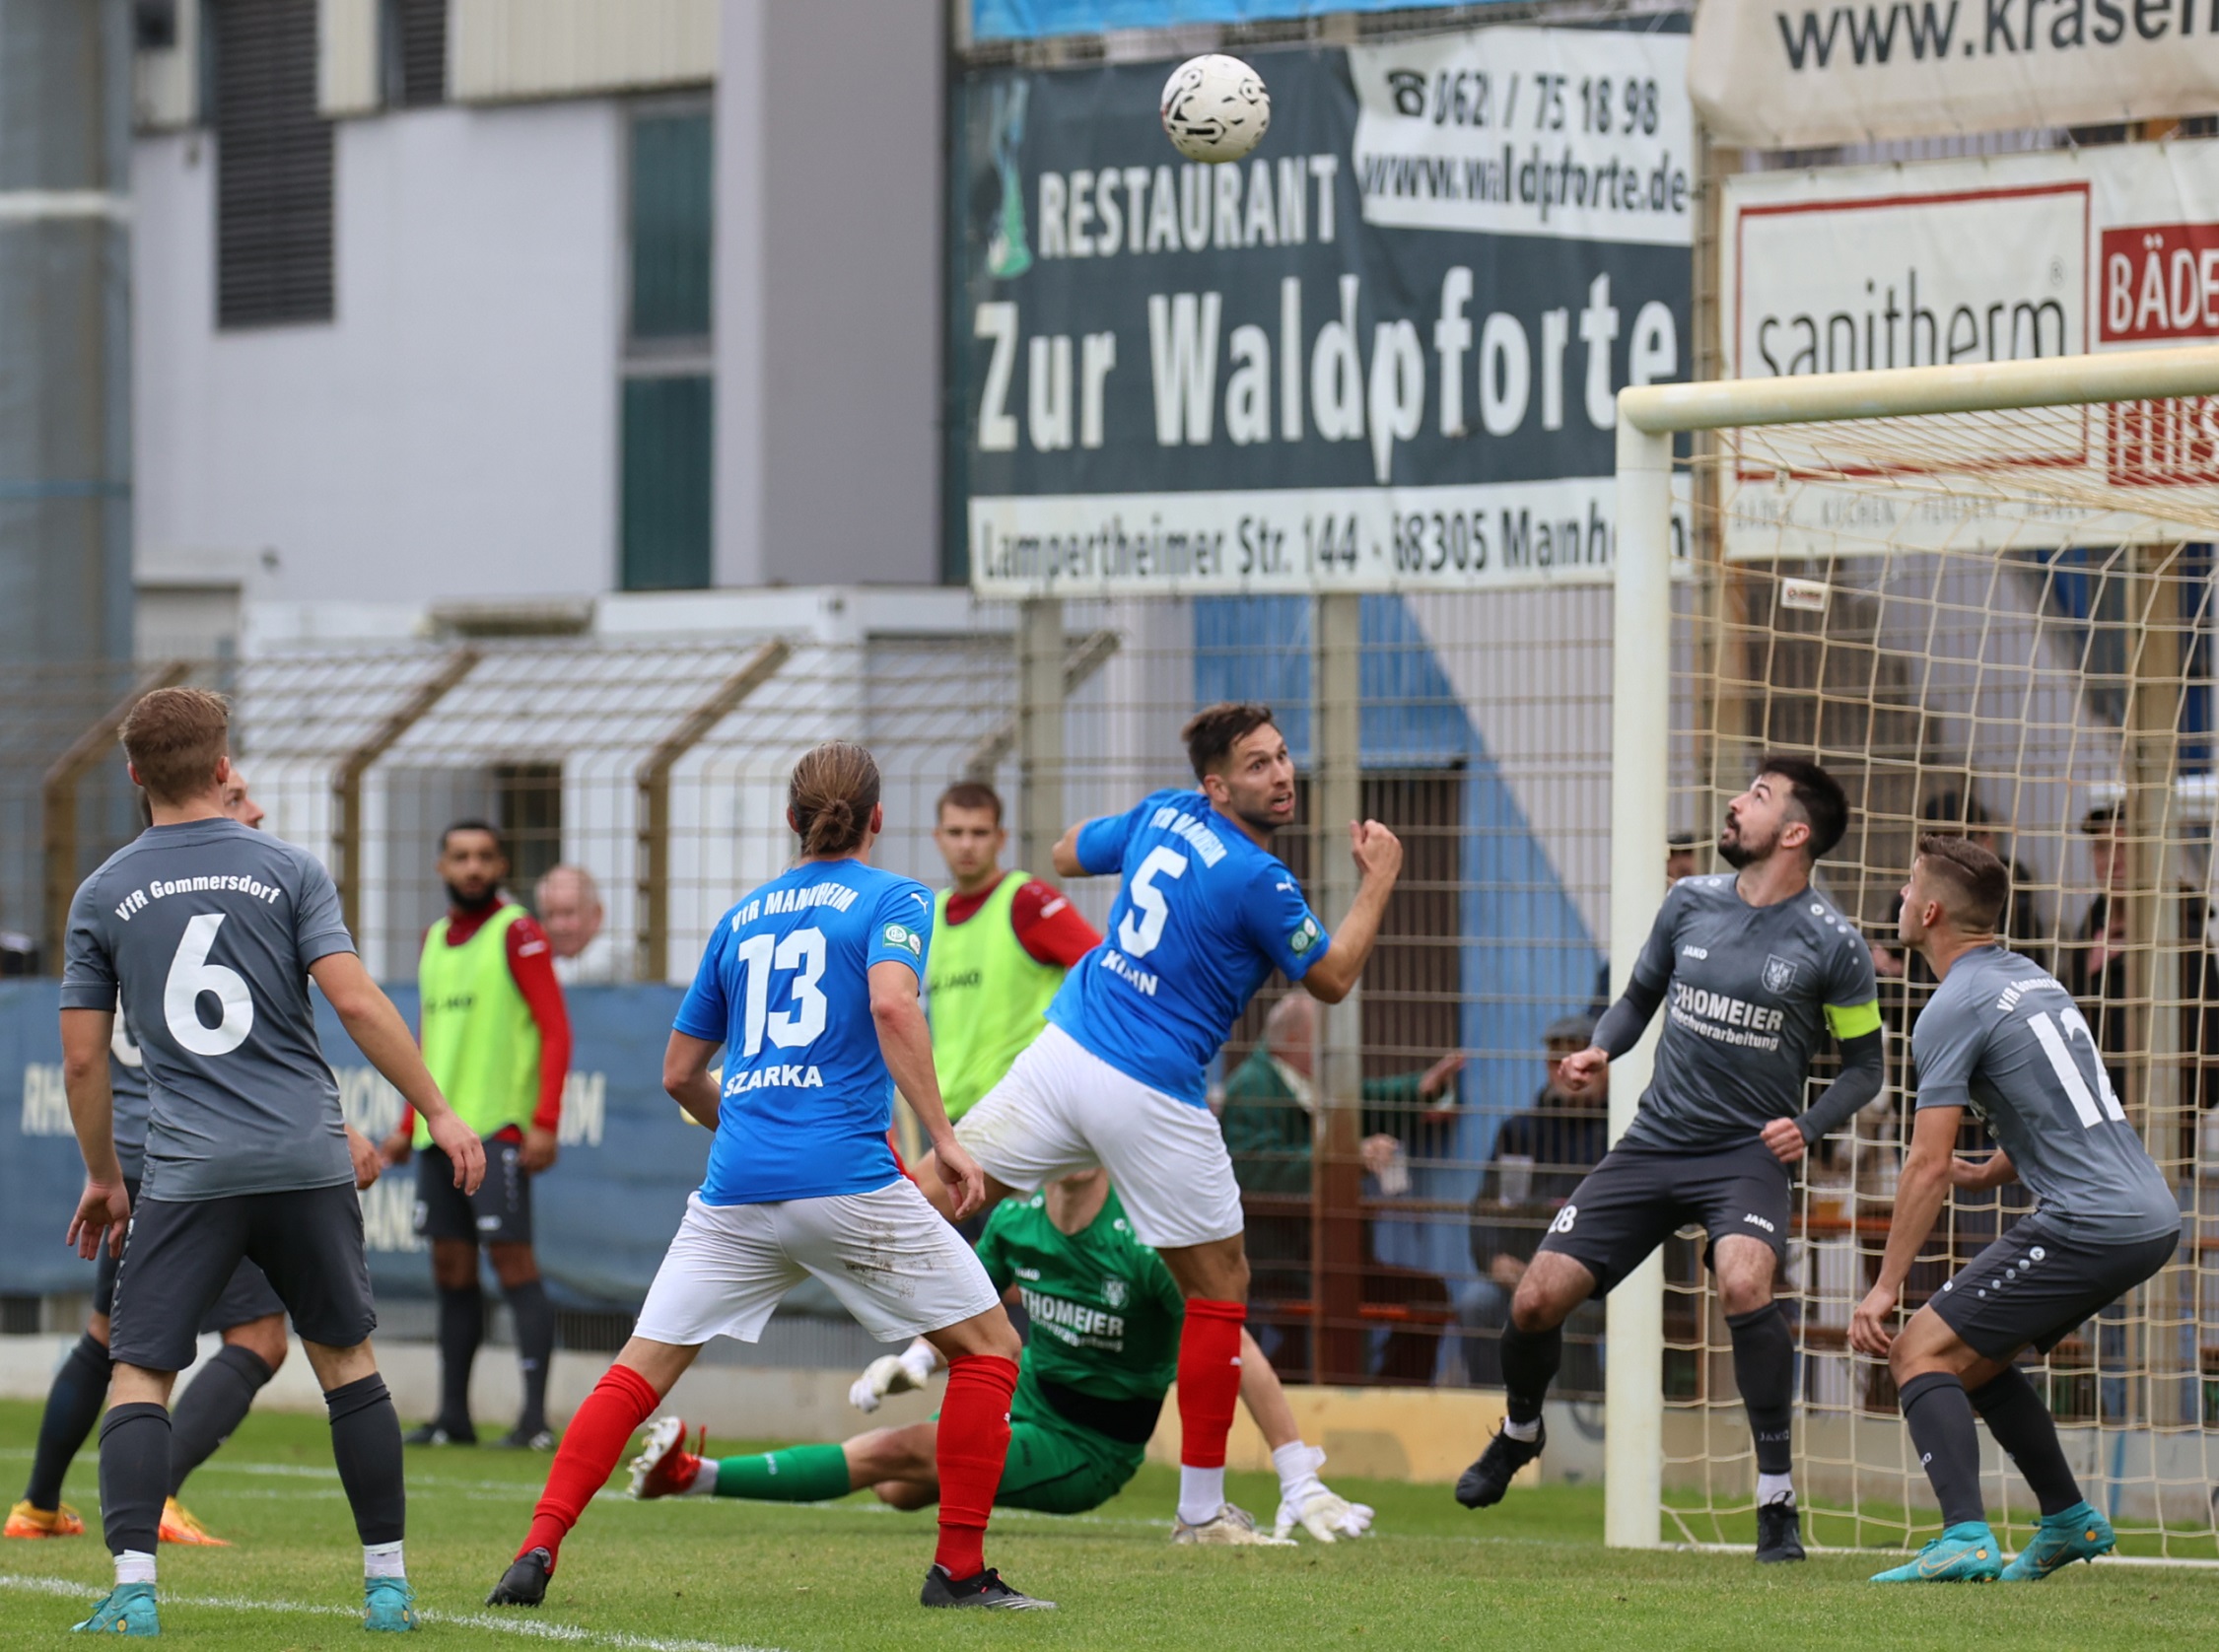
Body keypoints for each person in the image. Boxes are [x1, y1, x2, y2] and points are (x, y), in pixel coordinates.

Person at [485, 742, 1047, 1612]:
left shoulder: (741, 917)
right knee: (989, 1350)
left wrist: (747, 1125)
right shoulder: (895, 897)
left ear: (792, 820)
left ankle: (536, 1548)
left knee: (637, 1371)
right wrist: (944, 1137)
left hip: (735, 1190)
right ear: (877, 818)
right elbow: (891, 1002)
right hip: (846, 1179)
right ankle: (959, 1572)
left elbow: (678, 1074)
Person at [913, 702, 1403, 1546]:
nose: (1281, 775)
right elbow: (1331, 978)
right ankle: (1201, 1512)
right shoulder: (1260, 880)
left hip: (1064, 1051)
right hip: (1146, 1088)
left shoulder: (1163, 812)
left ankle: (815, 1253)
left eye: (1281, 757)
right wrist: (1378, 879)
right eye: (1256, 765)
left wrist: (1141, 841)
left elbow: (1066, 852)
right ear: (1217, 786)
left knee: (923, 1192)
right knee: (1218, 1287)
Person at [56, 686, 485, 1635]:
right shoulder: (289, 868)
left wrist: (104, 1177)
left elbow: (84, 1060)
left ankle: (134, 1591)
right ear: (222, 768)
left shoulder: (103, 892)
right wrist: (439, 1111)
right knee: (347, 1362)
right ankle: (386, 1587)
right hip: (304, 1157)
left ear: (133, 775)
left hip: (187, 1169)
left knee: (140, 1373)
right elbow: (358, 1003)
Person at [1456, 756, 1884, 1567]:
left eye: (1757, 796)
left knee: (1745, 1284)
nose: (1736, 803)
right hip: (1654, 1141)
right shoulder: (1688, 902)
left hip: (1743, 1155)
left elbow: (1866, 1068)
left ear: (1794, 833)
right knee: (1534, 1299)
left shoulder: (1834, 946)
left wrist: (1809, 1124)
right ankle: (1519, 1431)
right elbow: (1636, 997)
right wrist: (1600, 1049)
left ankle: (1775, 1501)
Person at [9, 767, 384, 1549]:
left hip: (141, 1149)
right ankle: (160, 1494)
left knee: (112, 1337)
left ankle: (40, 1504)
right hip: (193, 1152)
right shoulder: (245, 890)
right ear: (201, 790)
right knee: (260, 1338)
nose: (255, 811)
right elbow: (246, 1047)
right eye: (238, 796)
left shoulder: (119, 892)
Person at [627, 1169, 1374, 1545]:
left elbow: (1234, 1350)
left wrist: (1296, 1472)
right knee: (897, 1488)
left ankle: (694, 1478)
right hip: (1026, 1405)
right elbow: (961, 1306)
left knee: (895, 1451)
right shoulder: (1016, 1223)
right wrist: (917, 1360)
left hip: (1092, 1448)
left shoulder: (1143, 1243)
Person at [1850, 835, 2183, 1583]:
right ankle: (2067, 1519)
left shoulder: (1949, 1007)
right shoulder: (2034, 980)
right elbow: (2066, 1106)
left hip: (2091, 1221)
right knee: (1974, 1360)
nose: (1900, 896)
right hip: (2147, 1212)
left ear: (1929, 912)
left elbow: (1924, 1162)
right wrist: (1991, 1171)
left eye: (1908, 886)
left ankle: (1964, 1537)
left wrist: (1883, 1288)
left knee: (1915, 1351)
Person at [381, 821, 572, 1450]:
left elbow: (555, 1029)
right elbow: (427, 1041)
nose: (473, 868)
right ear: (441, 865)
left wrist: (544, 1121)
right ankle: (453, 1419)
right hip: (439, 1136)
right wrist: (407, 1123)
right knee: (451, 1268)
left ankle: (533, 1421)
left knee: (513, 1263)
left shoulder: (518, 932)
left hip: (498, 1131)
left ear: (501, 865)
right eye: (460, 856)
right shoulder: (434, 939)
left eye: (485, 857)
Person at [1218, 991, 1463, 1381]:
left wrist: (1421, 1089)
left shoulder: (1306, 1080)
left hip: (1332, 1254)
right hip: (1283, 1259)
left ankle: (1390, 1393)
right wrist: (1346, 1158)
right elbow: (1255, 1170)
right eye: (1323, 1037)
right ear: (1294, 1039)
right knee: (1325, 1323)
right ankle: (1284, 1393)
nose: (1332, 1049)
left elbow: (1364, 1101)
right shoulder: (1253, 1086)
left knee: (1426, 1297)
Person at [926, 781, 1099, 1126]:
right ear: (938, 837)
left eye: (979, 833)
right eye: (956, 832)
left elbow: (1103, 968)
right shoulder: (931, 913)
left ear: (1001, 838)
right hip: (950, 1114)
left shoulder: (1027, 901)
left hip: (1020, 1110)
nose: (966, 844)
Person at [1457, 1015, 1611, 1388]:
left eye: (1577, 1059)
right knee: (1476, 1305)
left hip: (1591, 1281)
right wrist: (1495, 1260)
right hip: (1522, 1273)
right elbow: (1484, 1209)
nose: (1566, 1071)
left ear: (1603, 1068)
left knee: (1574, 1316)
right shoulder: (1520, 1132)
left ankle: (1577, 1410)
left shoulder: (1619, 1132)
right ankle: (1496, 1410)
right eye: (1556, 1061)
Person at [534, 863, 612, 985]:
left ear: (596, 915)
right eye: (550, 914)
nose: (558, 926)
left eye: (568, 913)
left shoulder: (610, 955)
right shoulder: (542, 953)